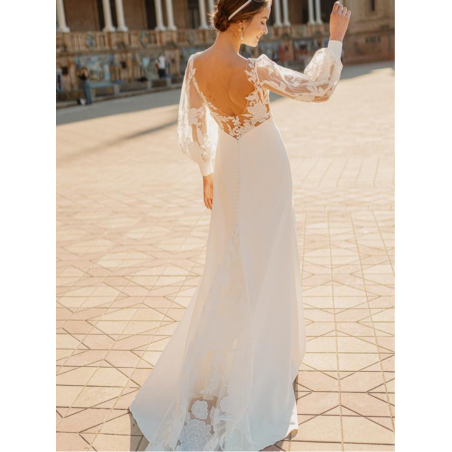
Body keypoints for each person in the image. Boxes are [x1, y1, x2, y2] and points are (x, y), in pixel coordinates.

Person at [129, 1, 351, 450]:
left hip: (229, 165)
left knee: (233, 256)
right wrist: (335, 38)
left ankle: (241, 351)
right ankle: (269, 356)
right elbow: (318, 89)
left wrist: (207, 173)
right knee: (269, 256)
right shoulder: (256, 69)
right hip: (266, 163)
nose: (265, 30)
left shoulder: (195, 65)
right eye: (263, 21)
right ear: (241, 20)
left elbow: (195, 126)